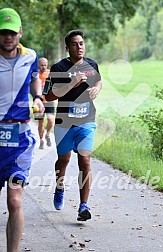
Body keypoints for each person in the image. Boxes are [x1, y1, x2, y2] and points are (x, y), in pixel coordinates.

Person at [45, 29, 102, 221]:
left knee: (84, 160)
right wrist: (71, 84)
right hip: (64, 122)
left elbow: (99, 80)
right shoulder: (58, 68)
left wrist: (96, 88)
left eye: (82, 43)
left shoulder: (91, 64)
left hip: (87, 120)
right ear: (67, 47)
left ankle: (83, 206)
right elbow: (49, 96)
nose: (79, 47)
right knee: (63, 160)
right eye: (75, 44)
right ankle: (59, 187)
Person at [0, 7, 44, 252]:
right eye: (4, 32)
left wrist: (37, 96)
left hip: (20, 139)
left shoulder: (30, 56)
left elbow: (35, 76)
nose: (8, 37)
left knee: (15, 200)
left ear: (20, 33)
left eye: (13, 33)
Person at [38, 57, 55, 149]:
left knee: (51, 120)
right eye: (42, 65)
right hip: (38, 102)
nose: (43, 67)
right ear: (38, 65)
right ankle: (41, 140)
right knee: (40, 123)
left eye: (45, 65)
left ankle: (47, 134)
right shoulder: (35, 75)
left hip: (49, 101)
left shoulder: (50, 73)